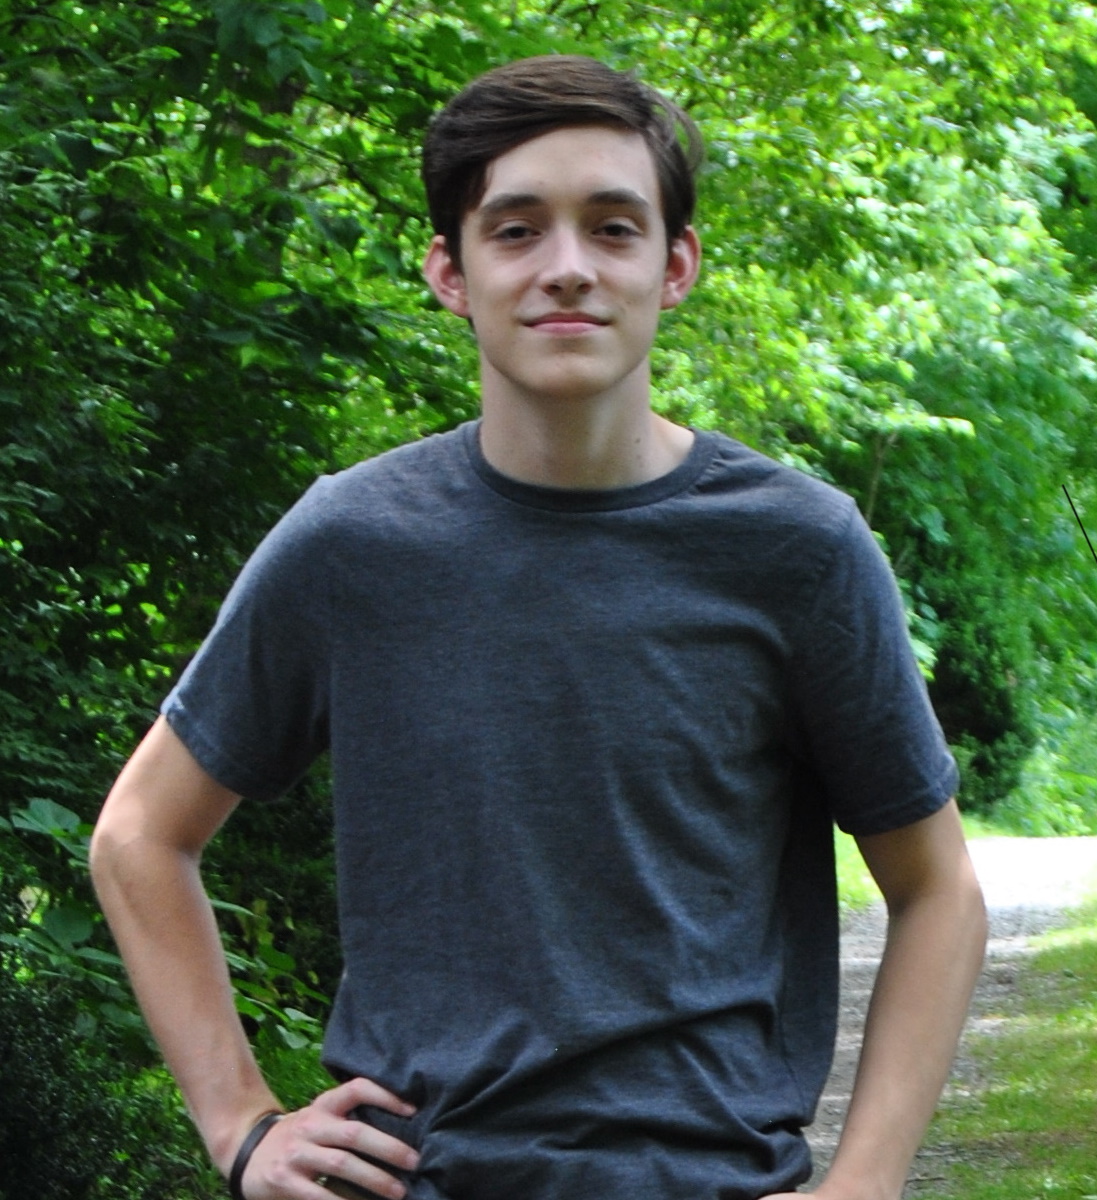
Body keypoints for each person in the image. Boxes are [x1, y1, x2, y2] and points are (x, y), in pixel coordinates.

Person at [90, 55, 987, 1200]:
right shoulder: (352, 545)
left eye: (612, 228)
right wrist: (240, 1124)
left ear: (674, 265)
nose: (567, 266)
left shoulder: (797, 550)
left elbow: (937, 888)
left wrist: (864, 1182)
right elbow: (139, 836)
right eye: (515, 231)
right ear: (449, 272)